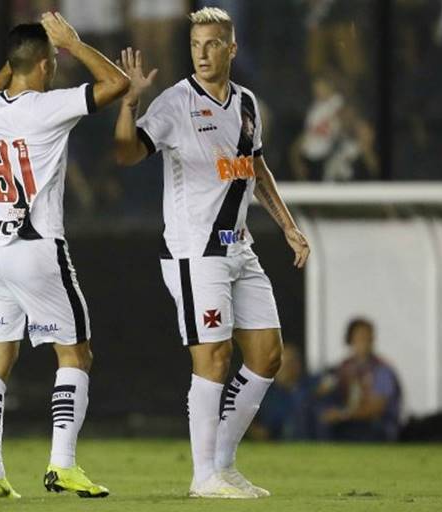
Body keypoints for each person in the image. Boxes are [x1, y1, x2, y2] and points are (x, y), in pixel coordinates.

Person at [113, 7, 310, 499]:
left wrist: (288, 227)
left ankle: (222, 465)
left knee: (267, 357)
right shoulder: (176, 103)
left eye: (212, 44)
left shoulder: (246, 103)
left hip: (237, 246)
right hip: (194, 250)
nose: (202, 53)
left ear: (231, 48)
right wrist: (129, 104)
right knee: (215, 357)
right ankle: (204, 475)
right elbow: (127, 153)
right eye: (196, 44)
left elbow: (256, 169)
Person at [0, 13, 128, 499]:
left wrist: (17, 59)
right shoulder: (49, 107)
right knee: (75, 353)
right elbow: (116, 84)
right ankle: (62, 464)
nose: (56, 66)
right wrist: (73, 43)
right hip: (35, 248)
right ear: (43, 65)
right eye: (52, 61)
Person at [315, 317, 402, 442]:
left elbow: (377, 408)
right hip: (349, 423)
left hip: (376, 426)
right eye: (360, 337)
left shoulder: (382, 370)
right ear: (350, 340)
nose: (365, 342)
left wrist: (342, 414)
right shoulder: (343, 368)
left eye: (368, 337)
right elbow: (321, 390)